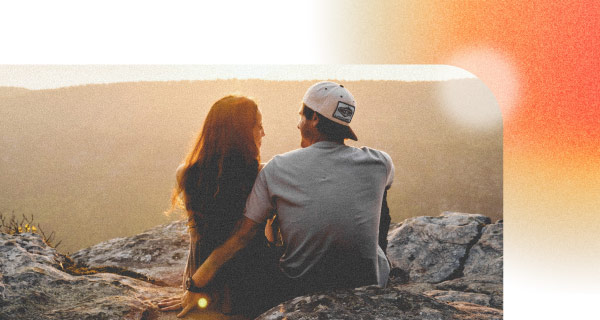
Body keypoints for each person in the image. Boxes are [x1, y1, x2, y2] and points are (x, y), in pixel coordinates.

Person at [176, 81, 394, 318]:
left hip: (298, 286)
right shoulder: (380, 162)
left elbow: (243, 235)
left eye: (301, 116)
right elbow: (382, 196)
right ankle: (371, 261)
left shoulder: (278, 168)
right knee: (379, 196)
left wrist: (196, 282)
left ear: (315, 120)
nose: (298, 123)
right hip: (368, 284)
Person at [157, 95, 278, 318]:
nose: (263, 133)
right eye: (259, 126)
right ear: (241, 134)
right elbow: (255, 239)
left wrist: (192, 287)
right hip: (254, 287)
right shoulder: (263, 175)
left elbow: (197, 241)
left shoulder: (186, 174)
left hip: (212, 289)